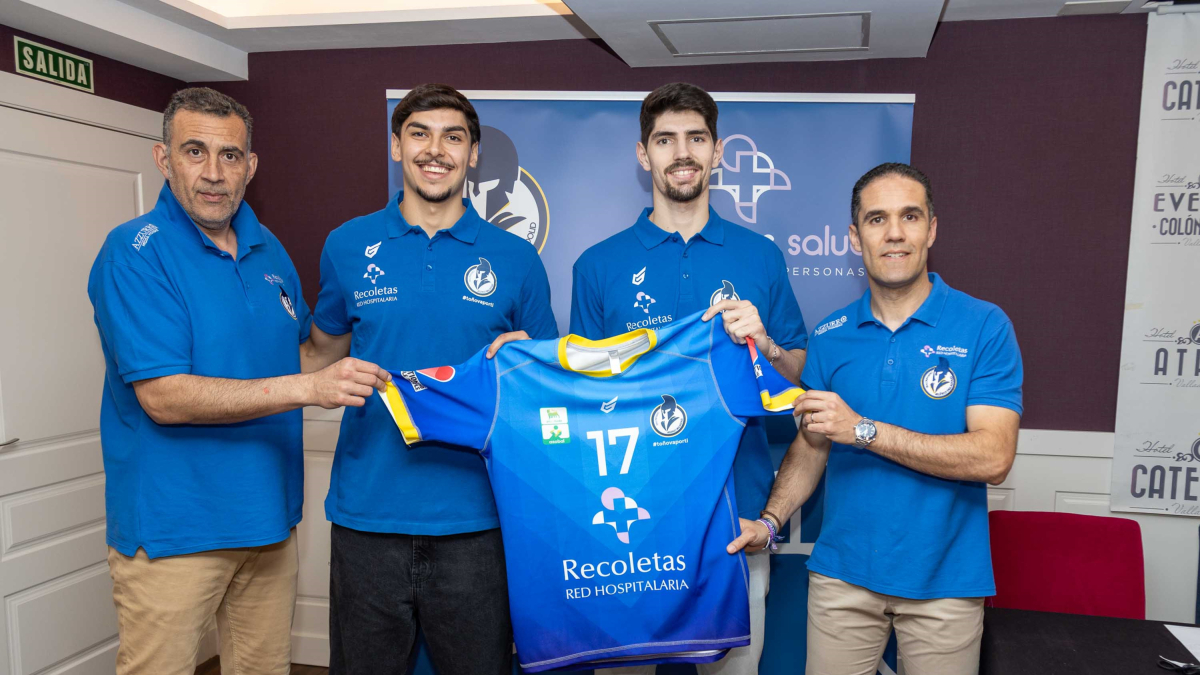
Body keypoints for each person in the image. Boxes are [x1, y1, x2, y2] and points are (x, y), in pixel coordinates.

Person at [88, 87, 389, 675]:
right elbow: (165, 397)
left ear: (250, 166)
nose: (213, 172)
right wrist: (310, 389)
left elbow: (302, 355)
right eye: (194, 152)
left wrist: (373, 306)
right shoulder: (135, 254)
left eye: (230, 156)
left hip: (268, 522)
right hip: (179, 527)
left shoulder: (267, 247)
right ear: (163, 158)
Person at [302, 83, 558, 675]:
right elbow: (321, 355)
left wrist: (532, 361)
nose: (435, 149)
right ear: (396, 146)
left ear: (472, 155)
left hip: (478, 519)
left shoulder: (517, 259)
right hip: (368, 516)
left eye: (453, 137)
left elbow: (547, 390)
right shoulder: (346, 245)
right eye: (419, 133)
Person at [730, 163, 1023, 675]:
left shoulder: (984, 325)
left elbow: (993, 456)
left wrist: (863, 430)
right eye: (876, 219)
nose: (894, 233)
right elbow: (812, 444)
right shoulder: (832, 333)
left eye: (910, 216)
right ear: (854, 235)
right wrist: (770, 523)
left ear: (931, 229)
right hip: (841, 581)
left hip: (946, 586)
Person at [569, 82, 809, 675]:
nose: (682, 152)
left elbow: (799, 371)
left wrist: (766, 342)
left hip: (734, 509)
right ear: (643, 154)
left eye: (696, 138)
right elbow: (582, 391)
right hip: (628, 509)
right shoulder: (597, 264)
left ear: (718, 151)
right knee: (625, 664)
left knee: (734, 666)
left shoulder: (760, 255)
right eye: (666, 139)